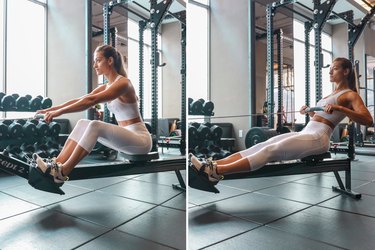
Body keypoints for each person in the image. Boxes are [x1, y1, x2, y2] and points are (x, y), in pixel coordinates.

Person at [190, 57, 374, 184]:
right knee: (260, 146)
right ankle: (211, 165)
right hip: (307, 132)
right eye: (330, 68)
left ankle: (215, 173)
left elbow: (368, 120)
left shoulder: (350, 95)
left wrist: (341, 108)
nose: (330, 72)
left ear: (346, 71)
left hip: (319, 138)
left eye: (334, 68)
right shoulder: (330, 94)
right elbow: (324, 116)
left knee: (271, 150)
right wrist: (310, 112)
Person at [33, 45, 152, 185]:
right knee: (83, 123)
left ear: (110, 61)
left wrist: (59, 112)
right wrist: (53, 109)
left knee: (95, 125)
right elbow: (82, 99)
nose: (95, 65)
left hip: (140, 140)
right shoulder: (106, 86)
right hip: (126, 138)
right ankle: (55, 164)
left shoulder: (124, 83)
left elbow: (91, 101)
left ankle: (62, 172)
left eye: (98, 60)